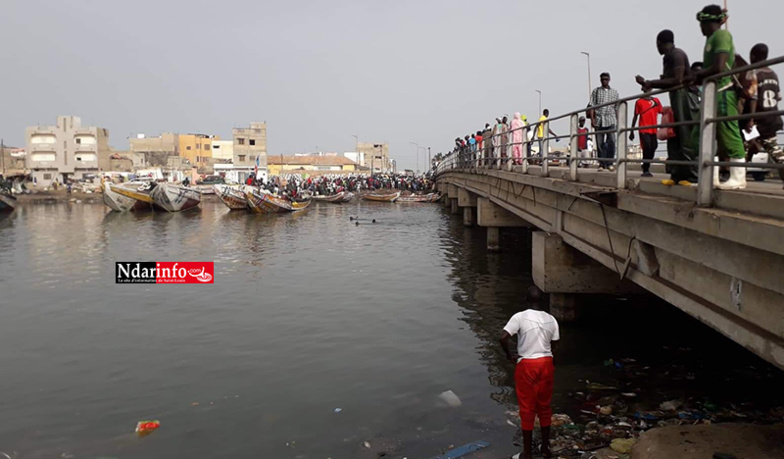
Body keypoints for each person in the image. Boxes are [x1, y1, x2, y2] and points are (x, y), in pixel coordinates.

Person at [500, 286, 560, 459]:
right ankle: (545, 448)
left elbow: (503, 337)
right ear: (542, 301)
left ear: (526, 300)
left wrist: (509, 355)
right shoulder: (551, 319)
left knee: (527, 409)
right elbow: (555, 344)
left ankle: (527, 453)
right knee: (544, 407)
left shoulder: (519, 317)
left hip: (527, 365)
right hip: (546, 363)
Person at [691, 5, 747, 190]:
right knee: (702, 135)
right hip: (711, 93)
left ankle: (738, 177)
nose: (700, 28)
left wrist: (697, 75)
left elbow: (719, 67)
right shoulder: (711, 38)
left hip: (723, 92)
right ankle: (710, 177)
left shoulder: (722, 36)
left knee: (729, 133)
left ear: (709, 22)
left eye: (702, 24)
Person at [636, 29, 700, 185]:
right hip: (676, 96)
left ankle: (692, 176)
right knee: (675, 136)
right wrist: (649, 83)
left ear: (659, 43)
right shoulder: (668, 57)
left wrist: (651, 83)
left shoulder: (676, 55)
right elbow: (668, 81)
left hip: (685, 97)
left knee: (685, 135)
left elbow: (677, 80)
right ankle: (677, 175)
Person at [744, 43, 784, 186]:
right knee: (775, 151)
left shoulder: (753, 73)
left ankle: (737, 175)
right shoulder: (773, 74)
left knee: (743, 149)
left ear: (753, 56)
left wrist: (750, 119)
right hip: (772, 117)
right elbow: (778, 97)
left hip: (757, 119)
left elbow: (752, 97)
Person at [590, 73, 620, 171]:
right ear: (600, 80)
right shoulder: (596, 91)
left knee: (612, 142)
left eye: (606, 79)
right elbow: (592, 106)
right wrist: (592, 119)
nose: (604, 81)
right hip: (599, 120)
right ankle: (602, 164)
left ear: (609, 80)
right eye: (603, 79)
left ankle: (610, 163)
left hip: (611, 120)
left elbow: (616, 108)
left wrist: (618, 121)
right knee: (600, 144)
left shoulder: (614, 93)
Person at [630, 90, 662, 177]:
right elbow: (635, 116)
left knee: (654, 146)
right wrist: (632, 131)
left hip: (653, 129)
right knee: (647, 147)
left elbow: (661, 111)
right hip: (643, 128)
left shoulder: (656, 100)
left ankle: (645, 164)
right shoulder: (639, 101)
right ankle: (646, 169)